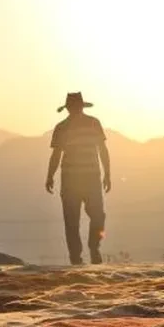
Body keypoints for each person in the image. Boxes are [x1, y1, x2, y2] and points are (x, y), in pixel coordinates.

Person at [46, 91, 112, 265]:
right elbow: (56, 154)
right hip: (71, 180)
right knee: (72, 221)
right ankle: (76, 257)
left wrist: (108, 174)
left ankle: (94, 247)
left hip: (91, 178)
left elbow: (102, 150)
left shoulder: (93, 123)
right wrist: (50, 175)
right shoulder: (61, 127)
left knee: (98, 216)